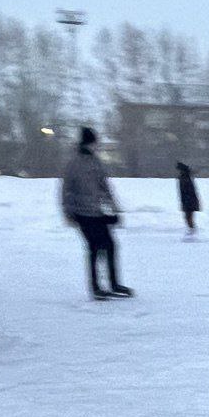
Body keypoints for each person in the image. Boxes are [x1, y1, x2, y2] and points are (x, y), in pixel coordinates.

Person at [61, 126, 133, 299]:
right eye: (94, 142)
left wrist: (114, 208)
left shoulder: (95, 161)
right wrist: (68, 212)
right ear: (88, 142)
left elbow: (104, 186)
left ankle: (113, 284)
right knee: (94, 248)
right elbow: (66, 190)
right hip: (82, 213)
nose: (96, 146)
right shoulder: (74, 163)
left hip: (97, 212)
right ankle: (97, 288)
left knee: (109, 246)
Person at [176, 162, 201, 236]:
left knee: (188, 216)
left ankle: (192, 230)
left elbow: (187, 191)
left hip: (188, 201)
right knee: (188, 216)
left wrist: (186, 200)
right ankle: (191, 229)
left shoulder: (184, 178)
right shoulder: (187, 177)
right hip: (189, 200)